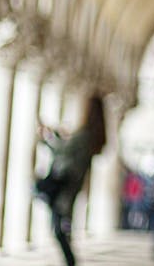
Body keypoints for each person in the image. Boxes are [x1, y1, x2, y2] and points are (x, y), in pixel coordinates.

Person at [36, 94, 107, 266]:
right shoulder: (92, 136)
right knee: (61, 223)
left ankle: (71, 261)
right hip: (74, 183)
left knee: (59, 226)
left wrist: (47, 137)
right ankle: (70, 260)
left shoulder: (84, 135)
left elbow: (64, 151)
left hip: (65, 183)